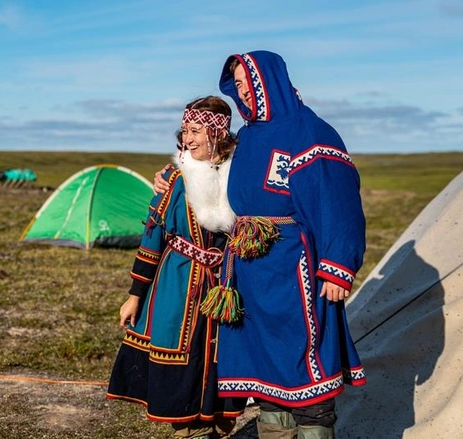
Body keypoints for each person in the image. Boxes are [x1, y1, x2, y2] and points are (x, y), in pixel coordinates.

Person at [154, 51, 366, 439]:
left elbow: (337, 201)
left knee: (304, 356)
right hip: (249, 270)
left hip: (294, 267)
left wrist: (338, 265)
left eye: (247, 83)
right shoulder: (249, 137)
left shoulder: (311, 133)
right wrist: (176, 170)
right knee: (263, 366)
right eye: (236, 86)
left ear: (270, 81)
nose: (243, 93)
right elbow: (212, 166)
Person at [106, 96, 246, 439]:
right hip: (177, 283)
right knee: (179, 358)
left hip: (225, 285)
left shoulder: (240, 174)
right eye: (185, 130)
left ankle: (215, 425)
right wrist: (135, 295)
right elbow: (152, 236)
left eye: (196, 130)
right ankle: (190, 431)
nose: (188, 139)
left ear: (217, 133)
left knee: (219, 362)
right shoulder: (173, 177)